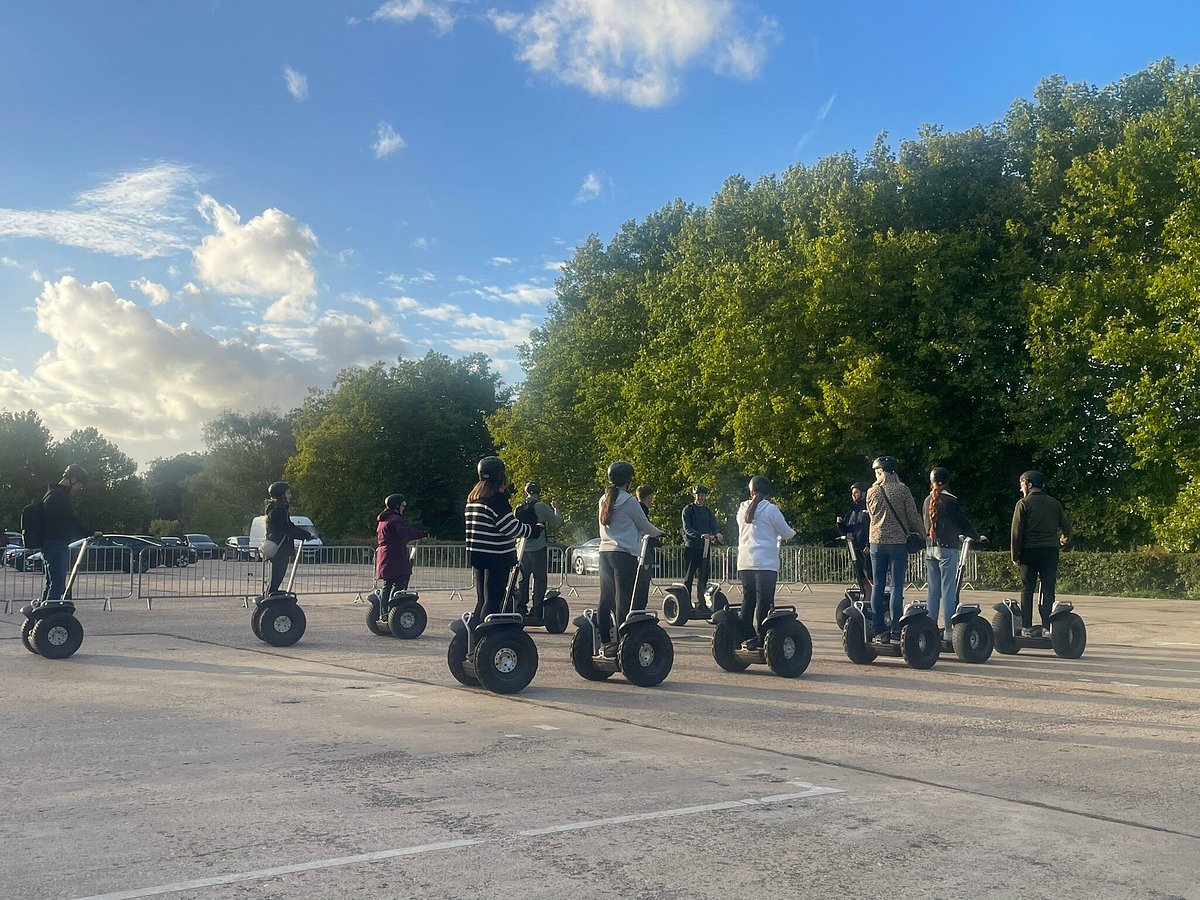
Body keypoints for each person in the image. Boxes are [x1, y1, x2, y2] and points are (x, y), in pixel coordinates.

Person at [465, 457, 541, 623]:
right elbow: (510, 527)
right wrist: (532, 530)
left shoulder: (473, 499)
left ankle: (473, 637)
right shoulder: (496, 499)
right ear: (499, 476)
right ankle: (486, 640)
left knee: (482, 600)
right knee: (493, 601)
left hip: (478, 556)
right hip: (496, 557)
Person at [598, 461, 663, 656]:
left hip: (604, 553)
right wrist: (660, 533)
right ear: (629, 479)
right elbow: (644, 525)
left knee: (605, 599)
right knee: (622, 600)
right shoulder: (628, 500)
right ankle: (622, 643)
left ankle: (605, 641)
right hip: (623, 555)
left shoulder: (604, 499)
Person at [865, 456, 924, 643]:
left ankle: (878, 628)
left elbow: (872, 516)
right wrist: (924, 534)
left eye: (876, 471)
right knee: (897, 586)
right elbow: (912, 516)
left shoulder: (871, 492)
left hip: (876, 542)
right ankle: (896, 630)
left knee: (878, 586)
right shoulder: (902, 490)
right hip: (898, 543)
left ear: (881, 472)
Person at [735, 475, 797, 651]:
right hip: (765, 563)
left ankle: (745, 636)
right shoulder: (770, 509)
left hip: (745, 562)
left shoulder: (741, 509)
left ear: (750, 491)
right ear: (767, 493)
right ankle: (762, 638)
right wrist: (793, 533)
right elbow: (786, 532)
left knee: (748, 600)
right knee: (765, 602)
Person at [923, 468, 983, 642]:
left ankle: (930, 628)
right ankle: (949, 630)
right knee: (948, 590)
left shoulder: (927, 500)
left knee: (933, 591)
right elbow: (963, 523)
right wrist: (977, 537)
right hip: (948, 548)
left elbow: (926, 524)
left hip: (930, 547)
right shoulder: (951, 501)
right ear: (947, 481)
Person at [1011, 470, 1072, 638]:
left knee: (1027, 588)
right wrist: (1064, 539)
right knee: (1048, 588)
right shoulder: (1054, 503)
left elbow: (1016, 532)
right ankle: (1046, 627)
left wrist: (1015, 556)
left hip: (1029, 551)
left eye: (1021, 483)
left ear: (1029, 484)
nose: (1020, 487)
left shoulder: (1023, 503)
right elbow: (1067, 527)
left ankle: (1026, 627)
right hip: (1050, 551)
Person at [40, 464, 102, 606]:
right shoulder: (59, 497)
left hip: (50, 543)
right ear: (72, 479)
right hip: (56, 544)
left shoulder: (51, 494)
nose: (79, 488)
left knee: (52, 583)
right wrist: (91, 533)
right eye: (79, 484)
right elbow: (70, 521)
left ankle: (44, 616)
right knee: (57, 584)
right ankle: (50, 617)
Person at [514, 481, 563, 615]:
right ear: (538, 492)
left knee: (523, 579)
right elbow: (558, 521)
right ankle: (537, 608)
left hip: (522, 547)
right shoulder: (541, 506)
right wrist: (556, 508)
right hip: (538, 547)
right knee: (540, 578)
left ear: (526, 492)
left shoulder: (519, 507)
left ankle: (521, 607)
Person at [376, 493, 428, 608]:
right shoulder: (395, 520)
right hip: (395, 556)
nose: (403, 508)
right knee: (400, 583)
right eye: (402, 506)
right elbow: (405, 534)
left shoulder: (383, 520)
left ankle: (383, 612)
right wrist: (422, 534)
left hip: (384, 556)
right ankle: (394, 609)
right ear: (396, 506)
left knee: (386, 585)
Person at [264, 481, 313, 595]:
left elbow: (288, 527)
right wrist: (306, 535)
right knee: (276, 579)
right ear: (282, 494)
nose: (290, 495)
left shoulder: (275, 508)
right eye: (288, 493)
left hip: (278, 548)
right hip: (280, 549)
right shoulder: (279, 510)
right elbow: (288, 528)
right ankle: (270, 599)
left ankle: (270, 596)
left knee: (275, 579)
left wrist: (305, 534)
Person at [681, 485, 721, 603]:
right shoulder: (688, 510)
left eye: (703, 495)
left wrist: (718, 533)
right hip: (692, 547)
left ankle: (702, 601)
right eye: (698, 495)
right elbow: (687, 528)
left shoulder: (707, 511)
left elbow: (714, 524)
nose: (701, 497)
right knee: (689, 577)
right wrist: (700, 535)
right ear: (695, 496)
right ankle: (685, 602)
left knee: (703, 576)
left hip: (705, 547)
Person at [836, 482, 871, 589]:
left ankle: (875, 599)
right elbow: (847, 530)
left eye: (856, 493)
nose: (854, 495)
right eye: (852, 493)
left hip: (865, 548)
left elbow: (873, 528)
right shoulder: (851, 511)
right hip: (854, 548)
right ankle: (866, 596)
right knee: (861, 577)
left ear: (863, 493)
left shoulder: (869, 509)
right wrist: (840, 524)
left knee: (870, 576)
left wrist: (869, 545)